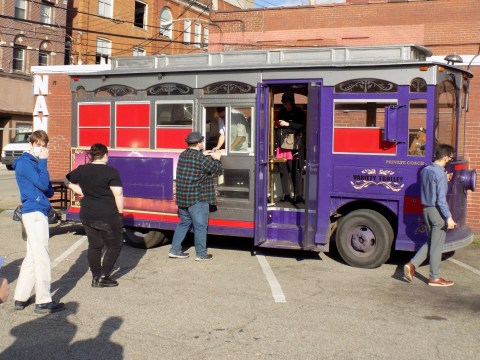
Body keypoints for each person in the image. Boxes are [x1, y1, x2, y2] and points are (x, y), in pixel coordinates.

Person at [13, 130, 65, 314]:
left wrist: (42, 167)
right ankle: (43, 301)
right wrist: (43, 162)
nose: (41, 149)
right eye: (38, 145)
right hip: (34, 212)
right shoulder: (27, 163)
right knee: (42, 256)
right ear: (31, 144)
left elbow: (49, 190)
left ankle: (20, 297)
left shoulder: (33, 163)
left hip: (36, 211)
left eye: (44, 146)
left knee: (33, 256)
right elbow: (44, 186)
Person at [65, 143, 124, 288]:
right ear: (105, 155)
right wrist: (121, 213)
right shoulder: (111, 172)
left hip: (87, 213)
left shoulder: (82, 169)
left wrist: (76, 189)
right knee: (115, 245)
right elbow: (118, 194)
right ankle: (104, 277)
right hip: (107, 215)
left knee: (95, 246)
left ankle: (96, 277)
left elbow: (66, 179)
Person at [404, 144, 457, 287]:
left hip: (426, 210)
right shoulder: (440, 173)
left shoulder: (426, 170)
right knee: (437, 246)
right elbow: (440, 199)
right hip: (436, 212)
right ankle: (434, 278)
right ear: (445, 156)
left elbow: (431, 186)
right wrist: (449, 217)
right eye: (449, 158)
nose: (449, 161)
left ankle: (412, 264)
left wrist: (443, 179)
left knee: (431, 242)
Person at [169, 131, 223, 261]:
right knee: (200, 226)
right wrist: (217, 158)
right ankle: (201, 254)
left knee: (184, 223)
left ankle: (174, 250)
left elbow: (195, 160)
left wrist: (203, 154)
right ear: (199, 144)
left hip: (183, 197)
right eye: (202, 142)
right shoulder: (201, 158)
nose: (203, 144)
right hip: (197, 198)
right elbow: (216, 169)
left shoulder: (183, 155)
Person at [274, 91, 306, 204]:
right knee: (283, 171)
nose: (284, 105)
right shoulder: (282, 111)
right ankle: (285, 194)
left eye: (286, 102)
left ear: (291, 102)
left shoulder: (298, 112)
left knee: (295, 171)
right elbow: (276, 127)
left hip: (294, 146)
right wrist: (278, 124)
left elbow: (302, 126)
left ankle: (298, 195)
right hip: (282, 146)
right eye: (283, 102)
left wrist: (288, 124)